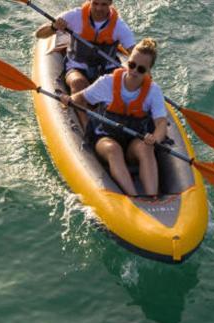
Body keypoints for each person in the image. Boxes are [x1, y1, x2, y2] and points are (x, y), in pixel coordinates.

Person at [60, 39, 168, 197]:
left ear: (148, 71)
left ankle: (152, 198)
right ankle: (133, 197)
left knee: (146, 148)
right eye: (131, 65)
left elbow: (161, 122)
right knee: (113, 149)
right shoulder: (108, 82)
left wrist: (156, 138)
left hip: (134, 140)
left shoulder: (153, 91)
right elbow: (82, 97)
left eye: (141, 68)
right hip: (105, 137)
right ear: (128, 61)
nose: (134, 71)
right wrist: (68, 99)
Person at [36, 0, 136, 128]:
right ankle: (87, 128)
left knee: (122, 93)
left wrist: (140, 74)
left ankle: (115, 126)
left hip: (107, 70)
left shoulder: (119, 26)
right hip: (77, 67)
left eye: (104, 4)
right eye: (96, 3)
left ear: (110, 4)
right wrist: (54, 27)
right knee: (78, 83)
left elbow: (134, 53)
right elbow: (39, 34)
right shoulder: (75, 16)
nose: (99, 8)